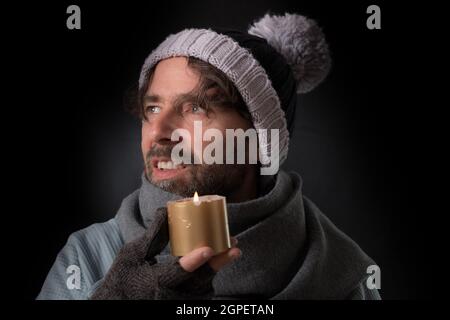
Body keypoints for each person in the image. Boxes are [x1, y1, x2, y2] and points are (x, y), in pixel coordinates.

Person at [37, 12, 381, 300]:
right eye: (152, 108)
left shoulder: (344, 275)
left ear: (258, 138)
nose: (159, 132)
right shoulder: (88, 256)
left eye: (195, 107)